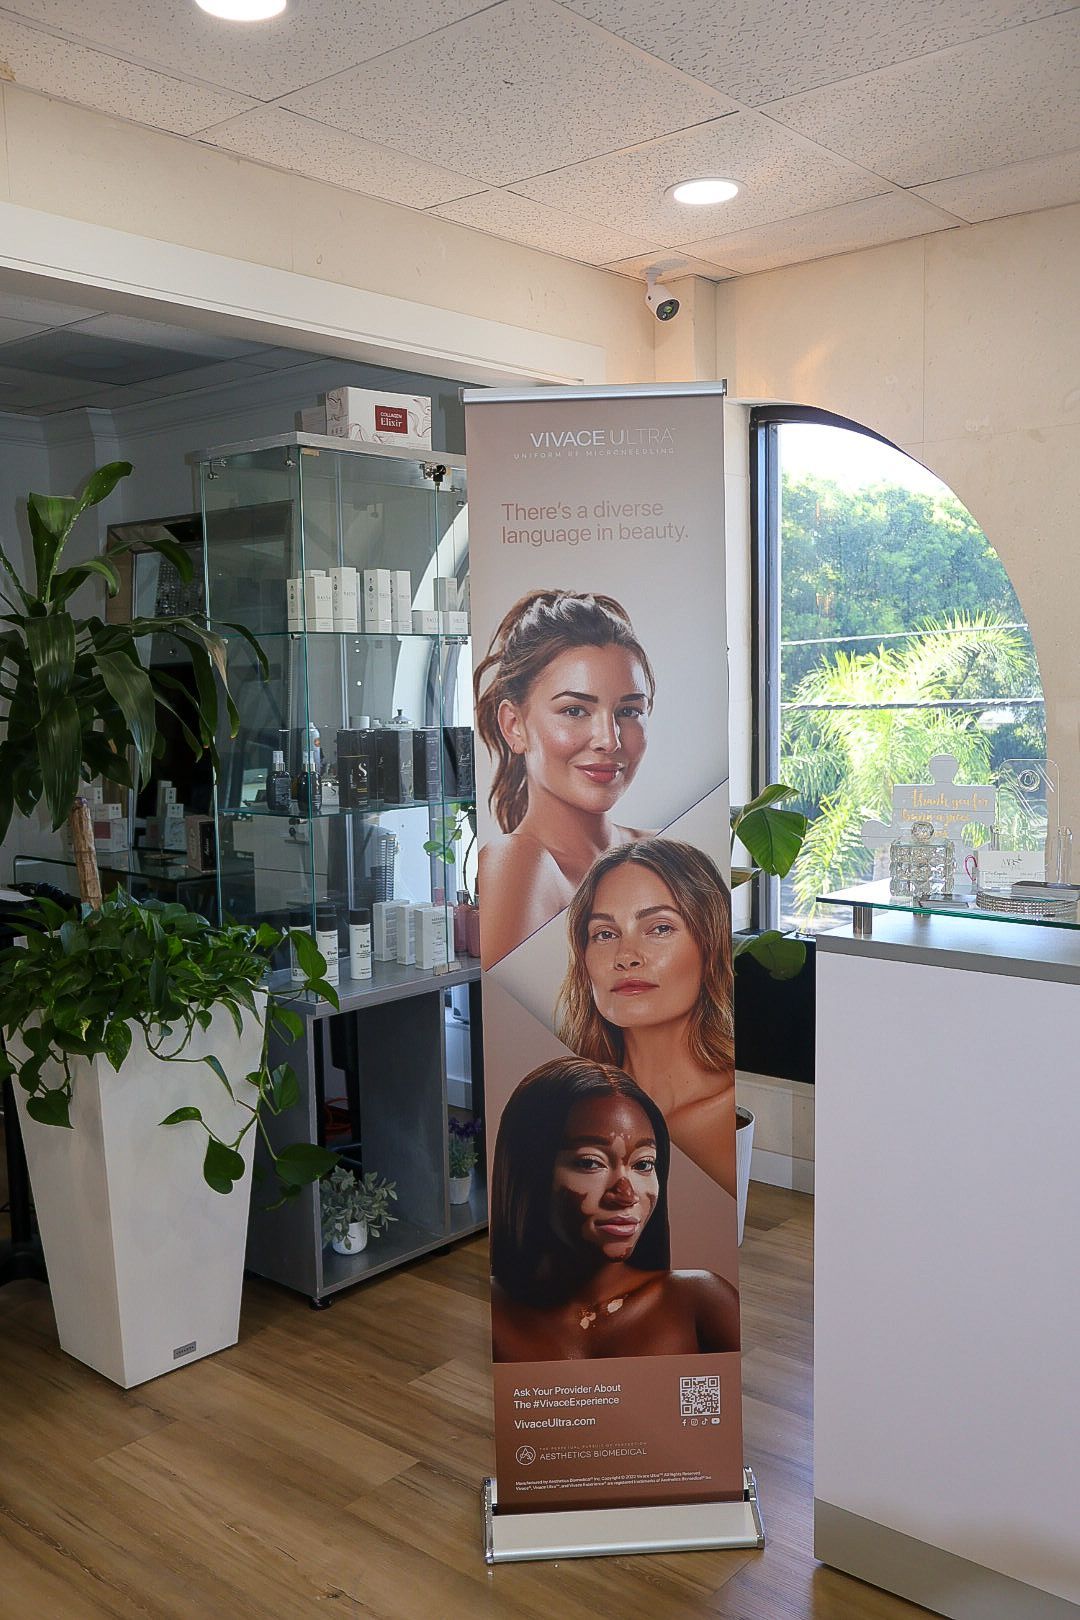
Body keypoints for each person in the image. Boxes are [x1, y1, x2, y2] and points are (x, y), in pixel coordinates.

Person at [490, 1057, 739, 1362]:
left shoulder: (701, 1302)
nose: (626, 1193)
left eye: (644, 1164)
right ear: (530, 1171)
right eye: (590, 1162)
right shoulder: (494, 1313)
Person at [474, 589, 655, 965]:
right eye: (575, 710)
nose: (609, 739)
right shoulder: (518, 864)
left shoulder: (660, 851)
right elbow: (517, 1019)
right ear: (514, 726)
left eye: (629, 711)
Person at [556, 840, 736, 1199]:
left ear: (710, 942)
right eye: (605, 934)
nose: (626, 956)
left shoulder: (723, 1117)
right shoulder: (565, 1103)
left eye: (660, 928)